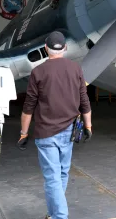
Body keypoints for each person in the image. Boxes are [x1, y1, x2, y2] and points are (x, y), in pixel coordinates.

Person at [17, 31, 92, 219]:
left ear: (45, 48)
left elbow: (29, 107)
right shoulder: (76, 69)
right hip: (69, 131)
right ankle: (53, 215)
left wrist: (24, 133)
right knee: (62, 173)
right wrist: (89, 126)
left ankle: (59, 216)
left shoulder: (38, 72)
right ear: (65, 48)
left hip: (46, 133)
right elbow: (84, 101)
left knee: (52, 178)